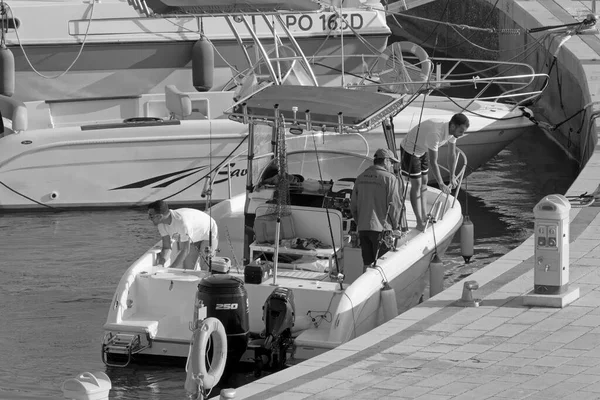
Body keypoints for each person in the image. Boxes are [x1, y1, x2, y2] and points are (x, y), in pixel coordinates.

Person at [400, 113, 470, 231]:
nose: (462, 134)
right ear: (453, 126)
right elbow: (434, 162)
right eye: (461, 131)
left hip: (422, 150)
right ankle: (419, 221)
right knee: (416, 184)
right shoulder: (435, 134)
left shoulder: (453, 132)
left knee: (424, 181)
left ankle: (423, 215)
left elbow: (451, 154)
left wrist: (452, 176)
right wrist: (441, 184)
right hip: (410, 149)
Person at [350, 148, 404, 272]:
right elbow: (395, 205)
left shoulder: (360, 177)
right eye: (391, 162)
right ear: (385, 161)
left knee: (367, 264)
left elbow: (353, 206)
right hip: (382, 230)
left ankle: (365, 290)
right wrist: (396, 227)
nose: (391, 165)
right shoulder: (390, 178)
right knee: (382, 266)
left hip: (363, 228)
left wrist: (360, 222)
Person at [147, 200, 219, 270]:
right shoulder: (161, 224)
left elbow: (185, 250)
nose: (149, 218)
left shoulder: (182, 223)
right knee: (187, 268)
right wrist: (161, 264)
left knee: (206, 267)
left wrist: (170, 269)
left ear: (160, 216)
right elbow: (166, 247)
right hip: (192, 235)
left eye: (151, 216)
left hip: (208, 231)